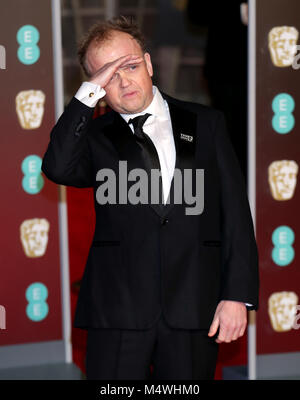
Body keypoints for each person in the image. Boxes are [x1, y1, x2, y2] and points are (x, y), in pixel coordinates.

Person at [42, 16, 259, 380]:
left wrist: (236, 295)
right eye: (108, 76)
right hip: (117, 310)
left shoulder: (207, 123)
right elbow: (57, 167)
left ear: (149, 63)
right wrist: (85, 97)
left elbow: (235, 214)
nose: (124, 81)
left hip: (193, 304)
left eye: (129, 66)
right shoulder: (94, 136)